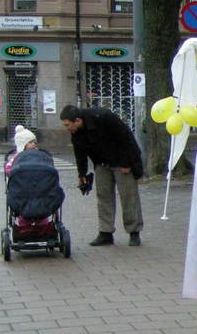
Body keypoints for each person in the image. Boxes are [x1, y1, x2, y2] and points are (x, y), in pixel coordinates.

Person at [60, 105, 145, 247]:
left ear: (77, 120)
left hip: (122, 162)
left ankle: (134, 232)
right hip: (101, 162)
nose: (66, 128)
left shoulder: (102, 116)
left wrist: (127, 162)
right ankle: (105, 232)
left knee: (129, 196)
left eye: (67, 125)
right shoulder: (76, 131)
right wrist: (82, 174)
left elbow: (125, 137)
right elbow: (79, 152)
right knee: (103, 196)